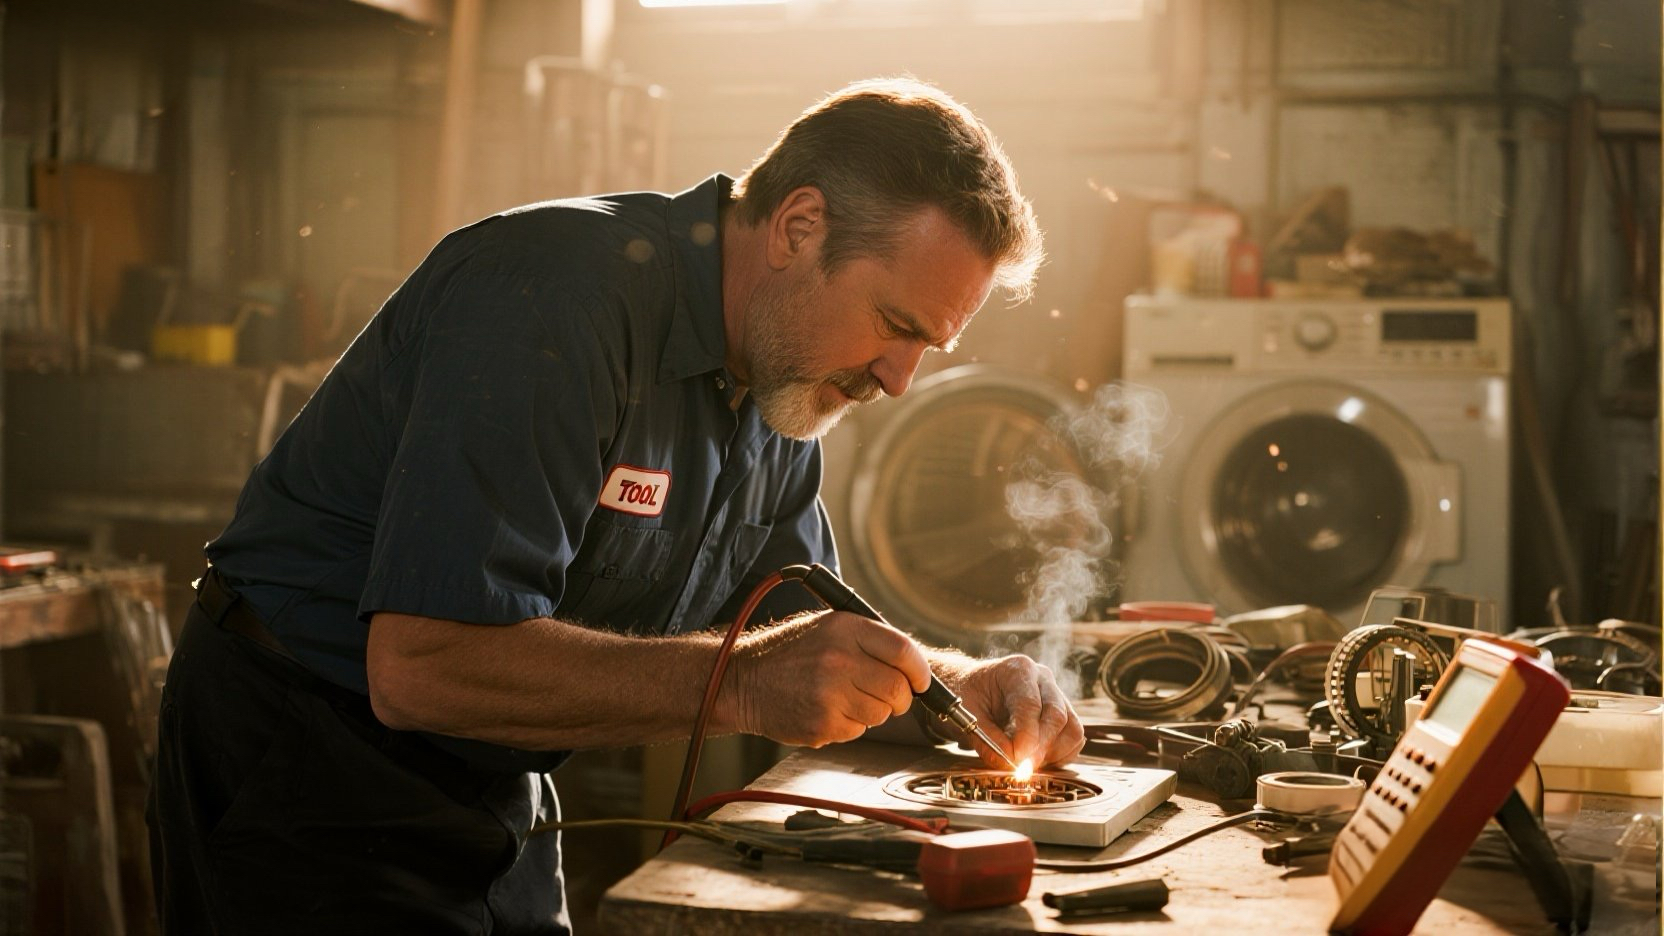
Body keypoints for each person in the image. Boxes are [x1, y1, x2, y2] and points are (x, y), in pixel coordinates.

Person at [147, 76, 1083, 934]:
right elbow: (424, 665)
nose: (897, 379)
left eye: (930, 348)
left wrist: (948, 684)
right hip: (307, 771)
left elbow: (788, 619)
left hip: (498, 775)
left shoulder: (789, 377)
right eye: (896, 326)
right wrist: (745, 683)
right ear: (798, 229)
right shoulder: (551, 298)